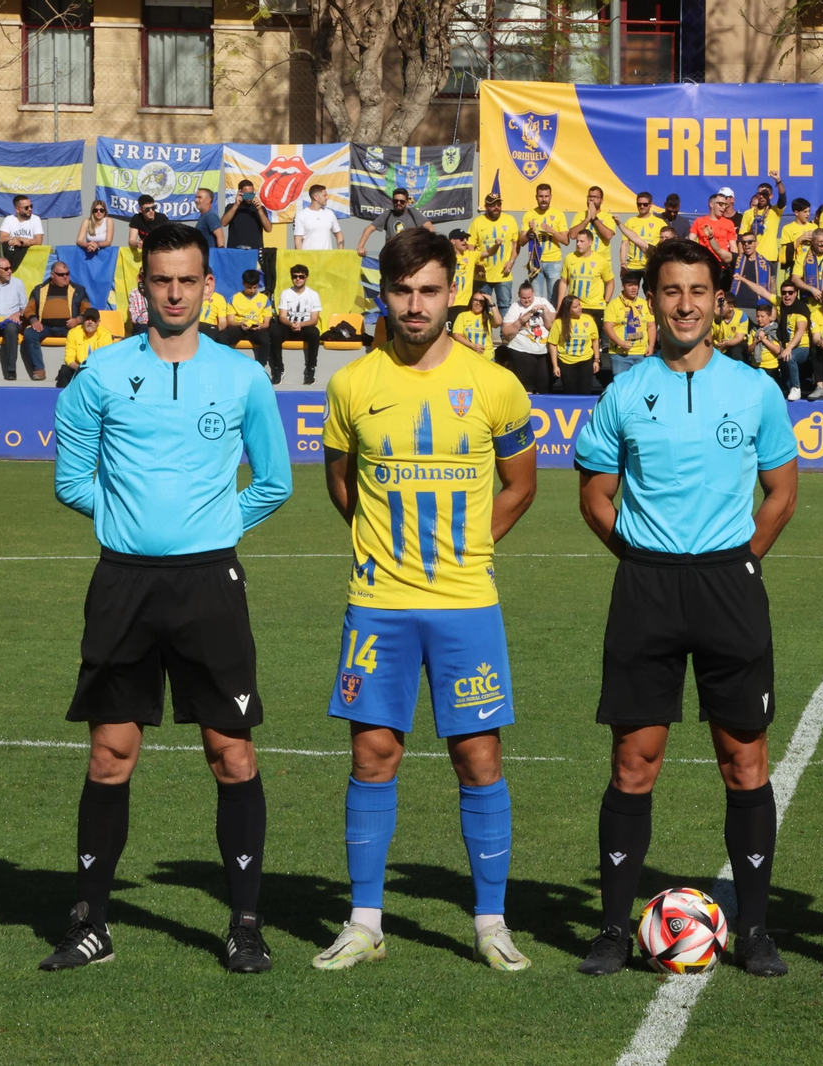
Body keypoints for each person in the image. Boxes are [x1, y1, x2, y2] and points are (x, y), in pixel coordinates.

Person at [40, 221, 292, 974]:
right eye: (161, 280)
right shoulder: (102, 375)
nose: (174, 292)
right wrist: (131, 524)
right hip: (122, 586)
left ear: (208, 285)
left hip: (210, 584)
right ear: (141, 286)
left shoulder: (242, 375)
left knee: (231, 751)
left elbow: (274, 481)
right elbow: (70, 480)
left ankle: (244, 923)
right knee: (111, 753)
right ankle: (91, 923)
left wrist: (212, 525)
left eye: (187, 279)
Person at [310, 227, 537, 973]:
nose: (415, 305)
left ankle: (490, 920)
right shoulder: (351, 384)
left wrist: (474, 549)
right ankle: (366, 920)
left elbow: (521, 485)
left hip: (466, 602)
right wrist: (380, 546)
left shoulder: (496, 384)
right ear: (386, 292)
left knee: (478, 756)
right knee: (373, 753)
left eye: (429, 290)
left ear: (453, 294)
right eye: (402, 291)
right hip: (377, 603)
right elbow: (340, 481)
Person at [572, 237, 799, 979]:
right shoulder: (623, 392)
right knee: (635, 761)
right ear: (651, 299)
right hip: (646, 588)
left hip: (729, 586)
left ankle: (756, 929)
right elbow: (595, 496)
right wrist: (641, 557)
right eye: (671, 291)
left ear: (718, 300)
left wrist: (739, 561)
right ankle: (611, 928)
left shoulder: (755, 389)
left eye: (698, 291)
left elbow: (782, 491)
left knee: (745, 758)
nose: (686, 304)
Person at [22, 261, 92, 377]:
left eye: (67, 274)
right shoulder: (39, 289)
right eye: (61, 275)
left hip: (68, 328)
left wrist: (78, 320)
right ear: (52, 275)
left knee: (83, 335)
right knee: (30, 334)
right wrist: (34, 320)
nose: (65, 277)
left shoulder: (79, 290)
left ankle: (81, 369)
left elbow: (87, 310)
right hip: (45, 327)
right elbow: (29, 309)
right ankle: (39, 370)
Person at [498, 280, 555, 393]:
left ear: (533, 293)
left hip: (543, 350)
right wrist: (519, 322)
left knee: (544, 383)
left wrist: (545, 310)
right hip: (521, 349)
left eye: (529, 297)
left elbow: (551, 326)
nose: (527, 300)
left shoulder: (542, 302)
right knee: (525, 384)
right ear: (519, 295)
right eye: (524, 298)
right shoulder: (515, 307)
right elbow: (506, 332)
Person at [469, 192, 519, 317]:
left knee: (505, 306)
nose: (496, 207)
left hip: (504, 274)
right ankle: (484, 335)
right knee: (480, 306)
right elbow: (470, 245)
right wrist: (477, 264)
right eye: (492, 205)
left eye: (498, 204)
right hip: (482, 275)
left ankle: (504, 336)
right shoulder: (478, 222)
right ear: (486, 206)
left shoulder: (510, 220)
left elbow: (516, 244)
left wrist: (512, 262)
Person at [518, 183, 568, 305]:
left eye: (546, 196)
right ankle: (537, 324)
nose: (543, 199)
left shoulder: (558, 214)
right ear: (536, 197)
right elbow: (521, 242)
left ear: (551, 196)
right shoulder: (529, 215)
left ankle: (552, 324)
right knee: (535, 300)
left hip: (554, 262)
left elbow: (566, 241)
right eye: (541, 196)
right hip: (535, 262)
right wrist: (529, 232)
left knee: (554, 299)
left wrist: (552, 231)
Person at [273, 263, 322, 385]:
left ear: (306, 278)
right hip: (289, 327)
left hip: (304, 327)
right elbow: (282, 316)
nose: (298, 279)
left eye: (301, 276)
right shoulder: (286, 293)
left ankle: (310, 368)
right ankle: (278, 368)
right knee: (274, 332)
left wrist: (301, 325)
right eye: (295, 276)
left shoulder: (313, 295)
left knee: (314, 333)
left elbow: (314, 319)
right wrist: (291, 324)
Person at [561, 229, 614, 332]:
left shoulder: (601, 260)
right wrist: (560, 305)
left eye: (582, 241)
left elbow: (610, 282)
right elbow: (563, 282)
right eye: (577, 241)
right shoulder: (569, 258)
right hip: (575, 306)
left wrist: (606, 302)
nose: (578, 244)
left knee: (594, 338)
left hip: (595, 307)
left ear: (590, 242)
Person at [602, 273, 653, 377]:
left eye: (636, 285)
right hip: (620, 354)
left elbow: (651, 325)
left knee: (641, 385)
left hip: (641, 353)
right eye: (630, 285)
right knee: (622, 385)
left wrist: (651, 346)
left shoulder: (644, 304)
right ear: (623, 286)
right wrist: (620, 342)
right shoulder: (614, 304)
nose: (634, 288)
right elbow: (608, 327)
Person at [548, 294, 599, 393]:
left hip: (585, 360)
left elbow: (595, 340)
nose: (580, 308)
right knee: (570, 392)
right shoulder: (559, 323)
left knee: (585, 391)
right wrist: (555, 366)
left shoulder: (588, 319)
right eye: (575, 307)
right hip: (566, 362)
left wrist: (596, 360)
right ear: (568, 309)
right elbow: (552, 344)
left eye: (579, 305)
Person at [357, 187, 430, 256]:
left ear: (407, 202)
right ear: (392, 201)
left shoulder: (413, 213)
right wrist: (360, 247)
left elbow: (430, 228)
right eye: (396, 201)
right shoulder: (388, 214)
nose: (398, 203)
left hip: (410, 255)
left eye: (402, 201)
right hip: (391, 255)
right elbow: (368, 229)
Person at [615, 191, 665, 288]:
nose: (641, 206)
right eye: (639, 204)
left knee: (651, 294)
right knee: (629, 294)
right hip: (632, 266)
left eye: (645, 204)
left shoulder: (660, 223)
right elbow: (624, 245)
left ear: (651, 205)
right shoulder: (630, 221)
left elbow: (664, 244)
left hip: (649, 266)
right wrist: (623, 264)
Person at [225, 269, 273, 367]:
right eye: (249, 287)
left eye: (255, 287)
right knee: (222, 337)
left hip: (256, 329)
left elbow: (266, 323)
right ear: (243, 284)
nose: (252, 290)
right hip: (239, 327)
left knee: (265, 339)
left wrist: (261, 326)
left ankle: (260, 367)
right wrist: (240, 324)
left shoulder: (264, 299)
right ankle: (226, 364)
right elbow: (230, 321)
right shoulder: (234, 298)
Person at [57, 307, 115, 387]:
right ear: (83, 321)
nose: (90, 322)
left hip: (97, 370)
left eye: (93, 320)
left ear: (98, 322)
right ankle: (62, 397)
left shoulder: (105, 335)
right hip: (78, 368)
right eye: (87, 319)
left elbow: (106, 359)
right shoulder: (73, 333)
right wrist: (79, 368)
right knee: (64, 371)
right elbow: (69, 358)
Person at [728, 231, 774, 322]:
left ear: (756, 243)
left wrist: (773, 308)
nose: (746, 245)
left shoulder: (767, 263)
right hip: (738, 306)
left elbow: (773, 288)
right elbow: (720, 253)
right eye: (743, 242)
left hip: (757, 309)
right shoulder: (736, 259)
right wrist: (711, 239)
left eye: (749, 242)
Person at [750, 300, 791, 395]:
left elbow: (777, 350)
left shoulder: (775, 331)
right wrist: (756, 341)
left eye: (762, 316)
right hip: (756, 366)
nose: (759, 319)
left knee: (770, 392)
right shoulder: (754, 331)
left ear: (769, 317)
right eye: (758, 316)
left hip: (771, 367)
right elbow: (749, 350)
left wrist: (764, 339)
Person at [566, 185, 616, 256]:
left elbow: (608, 236)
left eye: (595, 197)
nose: (591, 199)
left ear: (601, 200)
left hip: (601, 260)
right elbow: (572, 235)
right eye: (589, 197)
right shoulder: (579, 215)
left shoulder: (608, 217)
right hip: (582, 258)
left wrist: (594, 218)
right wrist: (587, 219)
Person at [692, 192, 738, 268]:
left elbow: (733, 246)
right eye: (720, 204)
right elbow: (691, 240)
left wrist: (735, 263)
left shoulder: (729, 223)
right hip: (704, 264)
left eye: (725, 204)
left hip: (722, 266)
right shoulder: (699, 221)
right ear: (711, 204)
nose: (723, 207)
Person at [0, 194, 44, 271]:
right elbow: (2, 238)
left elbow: (39, 241)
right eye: (26, 207)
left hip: (31, 262)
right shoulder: (9, 219)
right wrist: (18, 239)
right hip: (13, 260)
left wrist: (21, 243)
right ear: (17, 209)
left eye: (31, 206)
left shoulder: (36, 219)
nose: (30, 209)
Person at [223, 180, 272, 250]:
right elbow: (223, 223)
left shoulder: (260, 208)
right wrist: (236, 205)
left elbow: (269, 229)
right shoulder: (231, 207)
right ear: (240, 193)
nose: (249, 197)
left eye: (251, 194)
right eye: (247, 194)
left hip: (255, 250)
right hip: (235, 250)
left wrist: (259, 210)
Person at [451, 289, 499, 361]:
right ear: (471, 301)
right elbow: (456, 335)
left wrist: (491, 303)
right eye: (475, 300)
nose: (478, 303)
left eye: (481, 301)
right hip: (469, 356)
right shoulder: (462, 316)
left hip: (488, 357)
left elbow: (498, 322)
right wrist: (472, 346)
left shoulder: (488, 316)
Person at [293, 184, 342, 251]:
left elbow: (339, 234)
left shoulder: (329, 213)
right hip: (309, 259)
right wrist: (301, 258)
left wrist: (340, 251)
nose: (327, 198)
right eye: (324, 195)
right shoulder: (301, 215)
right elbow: (298, 240)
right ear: (316, 197)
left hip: (327, 259)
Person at [712, 290, 751, 361]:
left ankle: (738, 370)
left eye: (722, 306)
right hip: (717, 347)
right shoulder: (713, 316)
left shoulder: (741, 316)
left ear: (731, 307)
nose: (718, 308)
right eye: (718, 305)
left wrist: (727, 343)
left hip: (734, 344)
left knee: (736, 350)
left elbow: (739, 337)